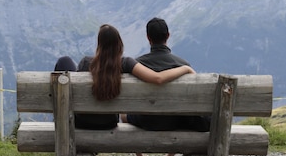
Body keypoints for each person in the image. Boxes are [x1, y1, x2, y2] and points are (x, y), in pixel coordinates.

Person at [54, 23, 195, 130]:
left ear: (99, 44)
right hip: (108, 123)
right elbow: (158, 78)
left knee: (64, 61)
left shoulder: (86, 62)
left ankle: (59, 120)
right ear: (119, 43)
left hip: (81, 122)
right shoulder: (126, 63)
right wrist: (185, 68)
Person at [121, 17, 210, 156]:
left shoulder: (137, 65)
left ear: (148, 38)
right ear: (168, 36)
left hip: (145, 120)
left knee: (123, 115)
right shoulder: (182, 64)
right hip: (175, 121)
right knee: (185, 114)